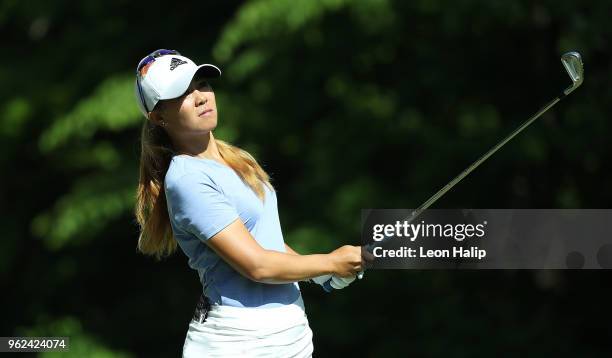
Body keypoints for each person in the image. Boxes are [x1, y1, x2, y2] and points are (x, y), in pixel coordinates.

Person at [133, 49, 364, 357]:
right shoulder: (187, 178)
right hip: (239, 341)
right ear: (158, 117)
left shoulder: (236, 160)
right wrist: (331, 262)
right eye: (183, 93)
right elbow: (257, 265)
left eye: (202, 84)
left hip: (288, 332)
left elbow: (266, 243)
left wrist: (321, 273)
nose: (201, 96)